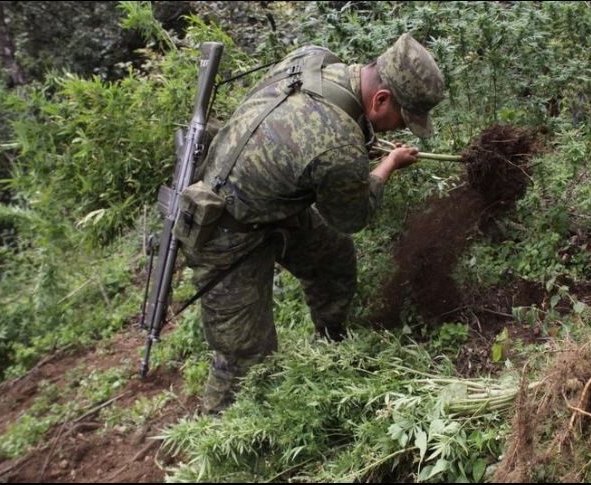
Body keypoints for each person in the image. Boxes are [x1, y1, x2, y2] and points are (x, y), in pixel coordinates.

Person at [184, 33, 445, 414]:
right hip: (224, 229)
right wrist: (387, 165)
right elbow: (353, 216)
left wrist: (359, 142)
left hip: (271, 202)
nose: (401, 129)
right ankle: (216, 426)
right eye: (403, 118)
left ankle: (332, 344)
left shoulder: (315, 58)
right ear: (381, 100)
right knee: (245, 356)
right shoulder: (339, 146)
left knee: (332, 259)